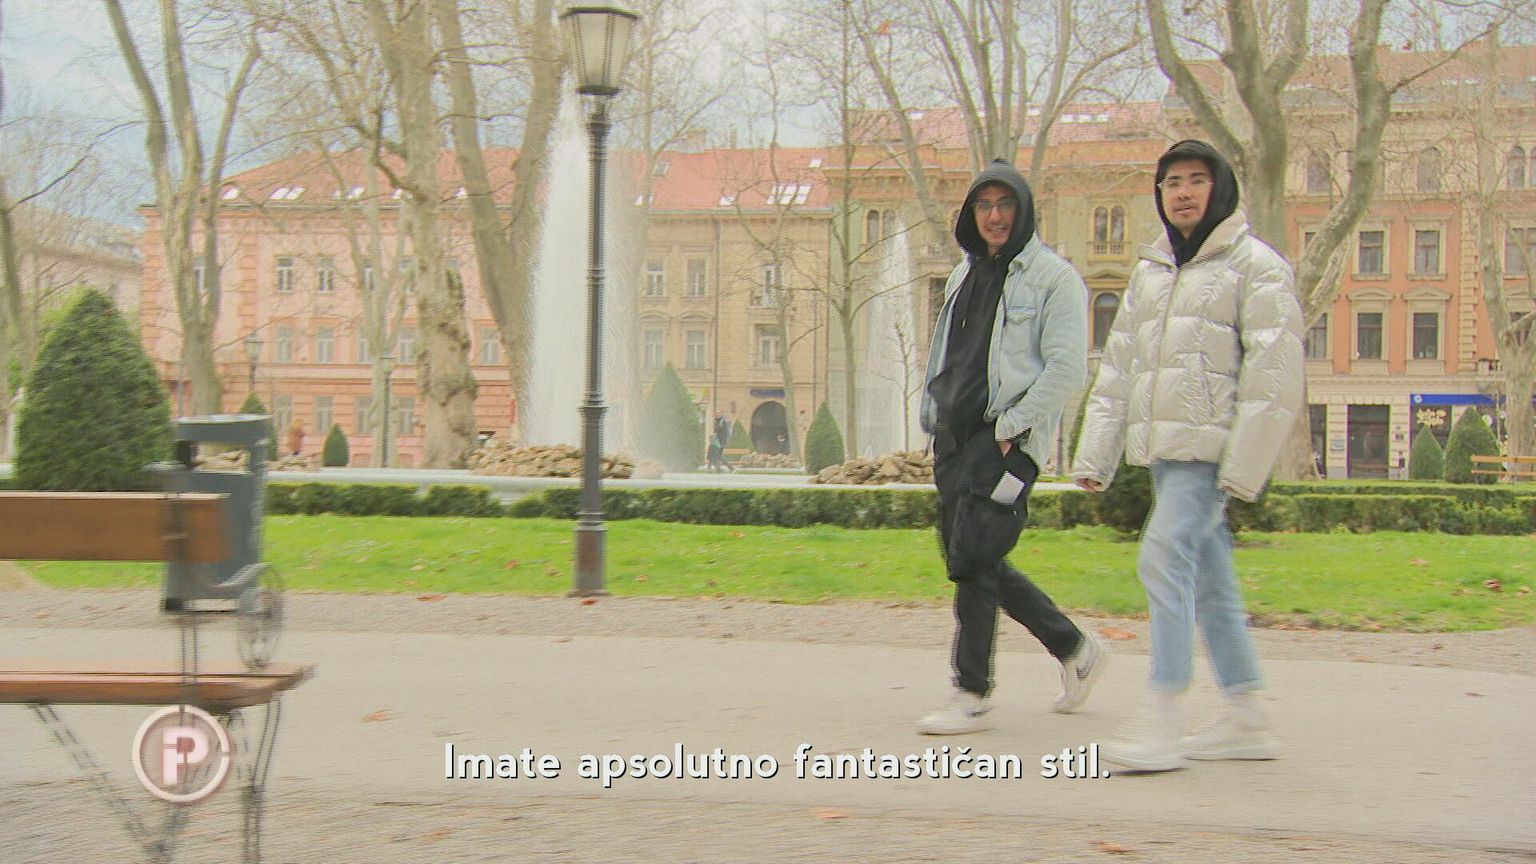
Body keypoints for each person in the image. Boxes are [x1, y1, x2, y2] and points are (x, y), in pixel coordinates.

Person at [1072, 140, 1305, 772]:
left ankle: (1163, 714)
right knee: (1211, 583)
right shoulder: (1152, 271)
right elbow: (1119, 367)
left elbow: (1274, 375)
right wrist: (1096, 454)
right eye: (1172, 181)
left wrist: (1242, 468)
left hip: (1211, 454)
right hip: (1167, 455)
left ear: (1219, 188)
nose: (1182, 192)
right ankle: (1246, 717)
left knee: (1162, 554)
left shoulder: (1255, 265)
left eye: (1196, 179)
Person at [916, 158, 1107, 735]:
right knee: (969, 556)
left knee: (974, 559)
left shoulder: (1054, 279)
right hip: (954, 439)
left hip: (1004, 441)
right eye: (985, 205)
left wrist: (1010, 429)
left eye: (1005, 205)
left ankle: (971, 692)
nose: (994, 216)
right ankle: (1074, 648)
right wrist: (935, 419)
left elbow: (1068, 369)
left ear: (1023, 211)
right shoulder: (962, 274)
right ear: (971, 213)